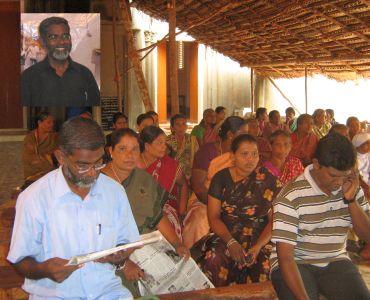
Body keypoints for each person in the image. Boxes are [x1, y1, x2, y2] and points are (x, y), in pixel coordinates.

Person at [8, 117, 140, 299]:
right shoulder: (34, 198)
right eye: (83, 166)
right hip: (55, 295)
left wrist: (120, 255)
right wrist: (43, 269)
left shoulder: (114, 192)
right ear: (61, 157)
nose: (94, 172)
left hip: (107, 292)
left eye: (99, 162)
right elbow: (20, 259)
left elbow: (126, 241)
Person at [270, 133, 370, 300]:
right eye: (333, 175)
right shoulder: (291, 195)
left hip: (335, 259)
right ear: (316, 164)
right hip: (296, 261)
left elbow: (367, 235)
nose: (339, 182)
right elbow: (286, 258)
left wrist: (351, 200)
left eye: (344, 174)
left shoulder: (350, 185)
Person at [102, 128, 189, 296]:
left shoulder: (143, 179)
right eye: (122, 149)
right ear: (110, 151)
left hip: (146, 245)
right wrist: (123, 263)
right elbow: (94, 235)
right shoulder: (97, 184)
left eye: (135, 149)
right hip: (112, 252)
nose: (130, 155)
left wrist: (177, 243)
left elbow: (157, 216)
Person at [193, 134, 282, 287]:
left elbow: (275, 220)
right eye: (244, 154)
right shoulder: (220, 178)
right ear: (233, 156)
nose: (251, 159)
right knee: (214, 259)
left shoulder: (268, 179)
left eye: (254, 154)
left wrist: (258, 246)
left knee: (267, 265)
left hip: (259, 237)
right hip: (226, 233)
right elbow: (213, 217)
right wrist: (231, 242)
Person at [183, 116, 249, 248]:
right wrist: (219, 205)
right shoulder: (207, 151)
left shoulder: (244, 153)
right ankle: (195, 257)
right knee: (200, 220)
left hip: (236, 201)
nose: (246, 137)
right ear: (230, 135)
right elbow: (198, 186)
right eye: (243, 134)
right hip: (205, 200)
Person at [21, 17, 100, 110]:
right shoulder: (28, 77)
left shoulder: (84, 74)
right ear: (42, 42)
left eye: (65, 36)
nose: (62, 42)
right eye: (53, 37)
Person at [139, 126, 188, 238]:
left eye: (164, 143)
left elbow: (183, 184)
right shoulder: (132, 164)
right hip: (136, 211)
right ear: (147, 146)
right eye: (159, 143)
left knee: (167, 224)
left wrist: (182, 211)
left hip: (162, 208)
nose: (164, 147)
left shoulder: (169, 164)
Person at [22, 111, 58, 188]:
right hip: (32, 176)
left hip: (51, 176)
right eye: (49, 122)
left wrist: (51, 158)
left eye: (53, 122)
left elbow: (59, 156)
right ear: (39, 123)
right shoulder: (30, 138)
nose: (52, 125)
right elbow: (29, 158)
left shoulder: (55, 137)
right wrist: (49, 158)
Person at [167, 114, 199, 181]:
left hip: (189, 177)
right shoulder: (166, 141)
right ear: (172, 127)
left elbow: (197, 158)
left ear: (186, 126)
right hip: (171, 176)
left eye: (184, 124)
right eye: (177, 124)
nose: (181, 127)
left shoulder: (192, 140)